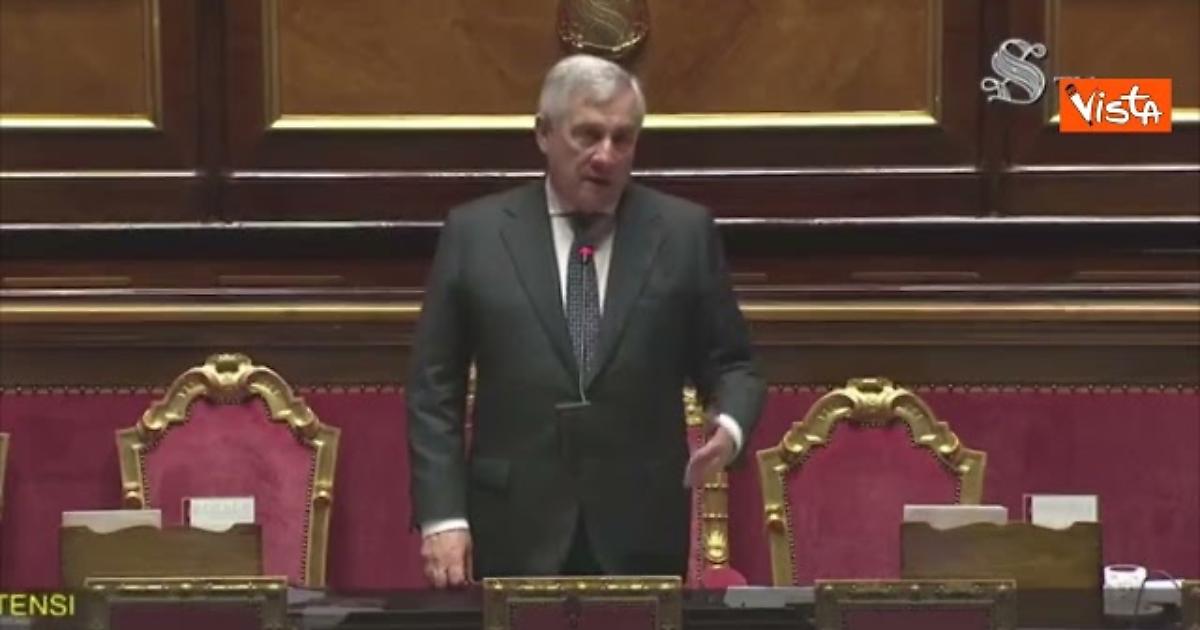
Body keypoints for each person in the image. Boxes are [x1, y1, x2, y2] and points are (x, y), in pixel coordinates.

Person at [407, 54, 765, 588]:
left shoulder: (682, 233)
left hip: (641, 525)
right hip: (512, 523)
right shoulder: (475, 234)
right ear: (544, 133)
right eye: (588, 135)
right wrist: (442, 517)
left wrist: (729, 429)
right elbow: (434, 389)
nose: (605, 156)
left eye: (623, 139)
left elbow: (734, 365)